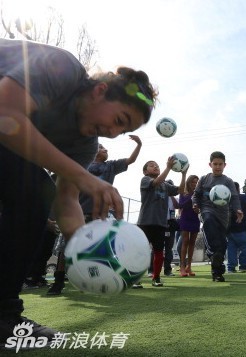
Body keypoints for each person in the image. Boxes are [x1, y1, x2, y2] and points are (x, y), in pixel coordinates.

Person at [0, 38, 157, 342]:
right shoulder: (62, 67)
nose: (113, 133)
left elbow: (66, 199)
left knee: (33, 195)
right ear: (100, 91)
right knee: (33, 187)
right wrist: (84, 177)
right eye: (119, 120)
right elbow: (6, 114)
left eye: (123, 131)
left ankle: (3, 314)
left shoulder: (84, 145)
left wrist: (85, 248)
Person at [50, 137, 143, 295]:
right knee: (67, 247)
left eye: (105, 147)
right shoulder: (81, 164)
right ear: (92, 151)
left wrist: (139, 144)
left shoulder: (111, 166)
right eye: (101, 147)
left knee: (103, 249)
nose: (105, 149)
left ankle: (104, 278)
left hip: (101, 216)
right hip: (78, 212)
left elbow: (130, 160)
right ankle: (58, 281)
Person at [192, 151, 243, 282]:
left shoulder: (228, 181)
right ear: (210, 164)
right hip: (207, 211)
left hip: (223, 217)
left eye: (220, 164)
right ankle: (213, 254)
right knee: (208, 221)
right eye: (215, 164)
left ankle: (217, 273)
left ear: (225, 165)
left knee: (222, 245)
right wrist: (195, 204)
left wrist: (238, 209)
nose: (218, 166)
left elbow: (235, 197)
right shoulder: (204, 179)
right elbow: (196, 195)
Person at [137, 159, 186, 287]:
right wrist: (168, 168)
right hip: (145, 222)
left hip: (161, 224)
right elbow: (156, 182)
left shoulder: (165, 185)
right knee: (140, 252)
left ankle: (156, 277)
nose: (156, 167)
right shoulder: (145, 180)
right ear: (145, 171)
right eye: (152, 166)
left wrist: (183, 174)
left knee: (159, 252)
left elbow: (181, 190)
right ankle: (135, 279)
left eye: (157, 165)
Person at [226, 182, 246, 273]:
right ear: (238, 189)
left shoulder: (226, 198)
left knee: (231, 248)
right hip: (242, 227)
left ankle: (231, 267)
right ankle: (243, 265)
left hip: (229, 228)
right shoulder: (242, 197)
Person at [178, 175, 200, 277]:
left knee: (192, 243)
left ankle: (189, 267)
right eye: (192, 182)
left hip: (195, 219)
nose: (194, 184)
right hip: (185, 218)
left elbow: (201, 206)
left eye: (196, 182)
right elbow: (181, 205)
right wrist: (191, 197)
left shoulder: (199, 193)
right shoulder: (183, 192)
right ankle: (182, 267)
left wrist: (198, 209)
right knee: (185, 242)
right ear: (188, 182)